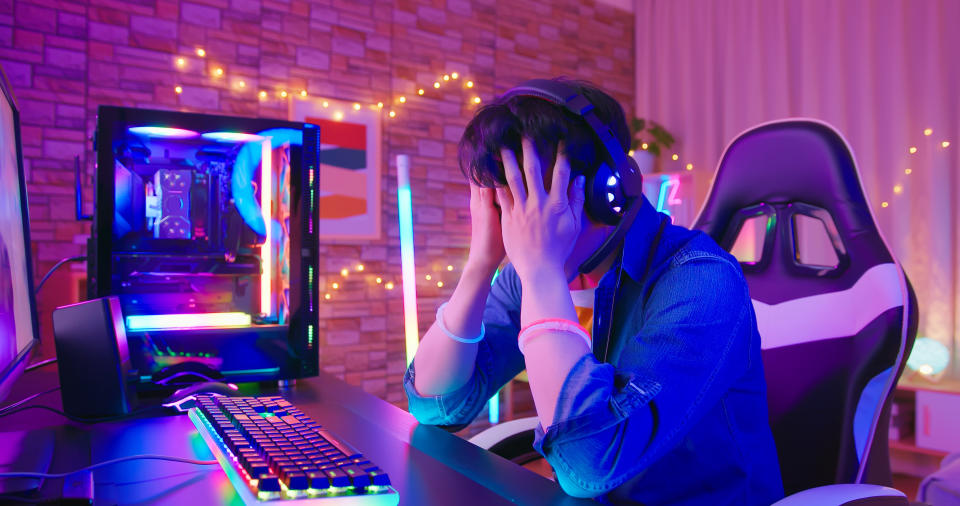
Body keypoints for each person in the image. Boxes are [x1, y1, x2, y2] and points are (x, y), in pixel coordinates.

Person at [403, 77, 784, 505]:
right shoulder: (530, 273)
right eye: (506, 199)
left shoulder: (700, 280)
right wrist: (480, 265)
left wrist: (543, 271)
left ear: (610, 188)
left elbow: (590, 464)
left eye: (537, 192)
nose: (520, 219)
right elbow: (436, 403)